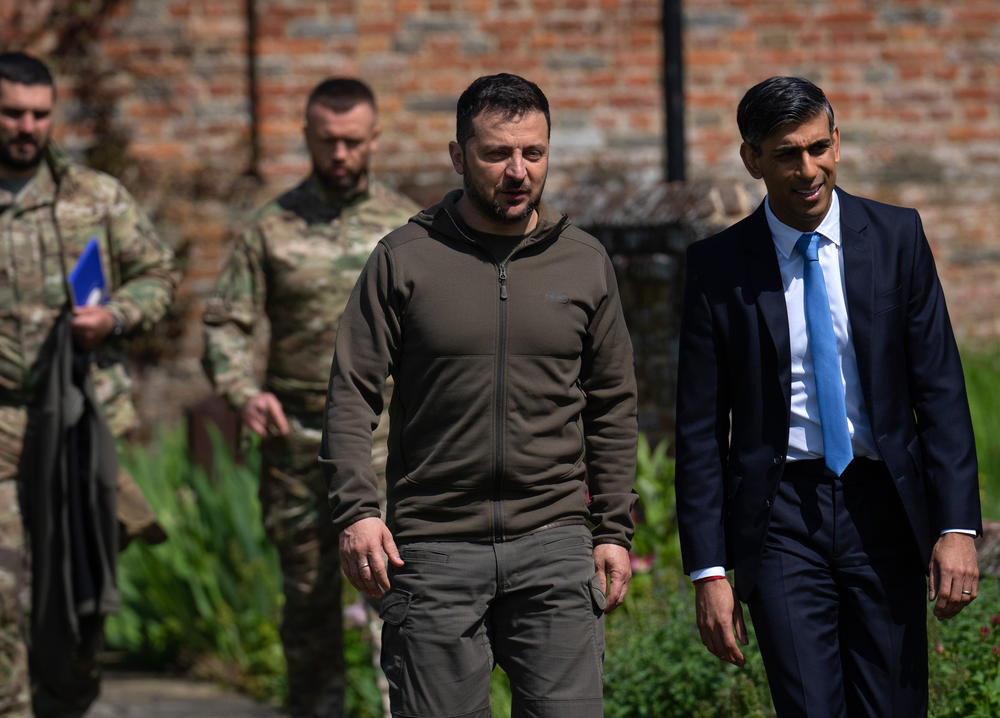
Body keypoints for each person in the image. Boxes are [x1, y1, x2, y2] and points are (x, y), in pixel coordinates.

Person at [320, 72, 638, 718]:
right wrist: (357, 511)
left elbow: (611, 403)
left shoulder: (582, 262)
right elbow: (352, 391)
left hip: (553, 544)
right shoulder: (404, 259)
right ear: (458, 156)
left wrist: (612, 528)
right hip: (434, 548)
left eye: (533, 153)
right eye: (497, 154)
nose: (518, 171)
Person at [674, 75, 982, 717]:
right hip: (782, 513)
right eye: (787, 154)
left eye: (819, 147)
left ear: (837, 141)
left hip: (885, 507)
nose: (808, 169)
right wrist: (708, 570)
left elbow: (942, 390)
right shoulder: (718, 267)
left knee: (894, 705)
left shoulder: (897, 238)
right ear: (751, 159)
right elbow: (700, 429)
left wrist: (955, 527)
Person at [202, 77, 418, 718]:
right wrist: (242, 391)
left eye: (354, 141)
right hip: (297, 445)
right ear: (307, 138)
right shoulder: (272, 229)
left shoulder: (407, 228)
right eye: (328, 142)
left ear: (375, 138)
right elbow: (225, 324)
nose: (342, 154)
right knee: (308, 611)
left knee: (403, 605)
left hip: (388, 449)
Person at [0, 52, 177, 717]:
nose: (27, 126)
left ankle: (68, 699)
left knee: (79, 595)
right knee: (5, 594)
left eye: (39, 114)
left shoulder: (94, 196)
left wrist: (115, 316)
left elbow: (158, 275)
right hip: (4, 426)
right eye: (13, 112)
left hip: (81, 427)